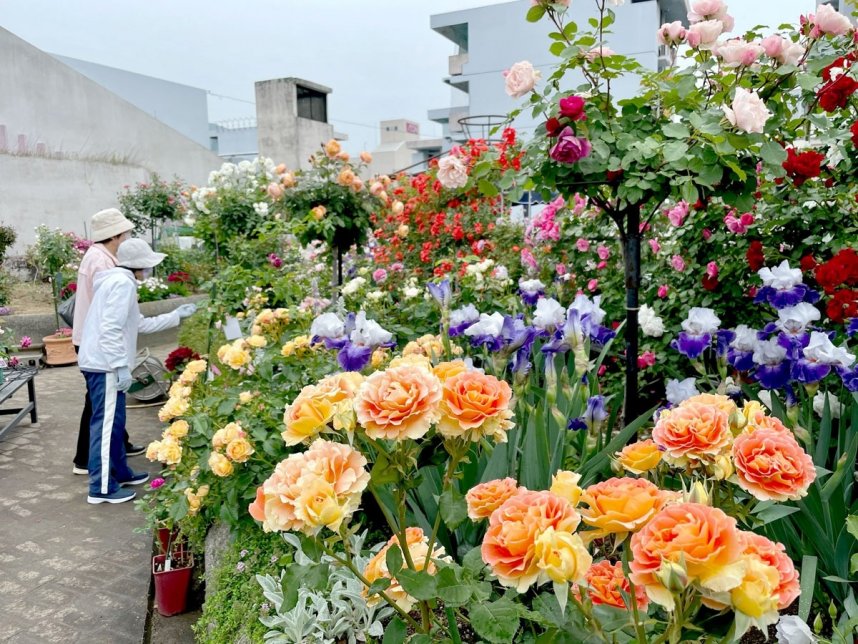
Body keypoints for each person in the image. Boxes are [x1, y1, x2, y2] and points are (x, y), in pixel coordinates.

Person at [78, 238, 197, 504]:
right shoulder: (121, 284)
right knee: (106, 426)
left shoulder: (117, 281)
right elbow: (110, 330)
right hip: (105, 365)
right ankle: (101, 488)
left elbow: (137, 324)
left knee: (115, 424)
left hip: (102, 362)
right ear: (140, 266)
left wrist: (176, 315)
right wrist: (120, 367)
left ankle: (120, 472)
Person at [72, 208, 142, 475]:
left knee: (105, 404)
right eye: (125, 235)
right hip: (100, 344)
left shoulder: (99, 255)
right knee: (99, 406)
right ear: (114, 236)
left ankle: (118, 448)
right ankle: (87, 461)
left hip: (94, 339)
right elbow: (110, 323)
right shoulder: (102, 261)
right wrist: (120, 364)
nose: (126, 240)